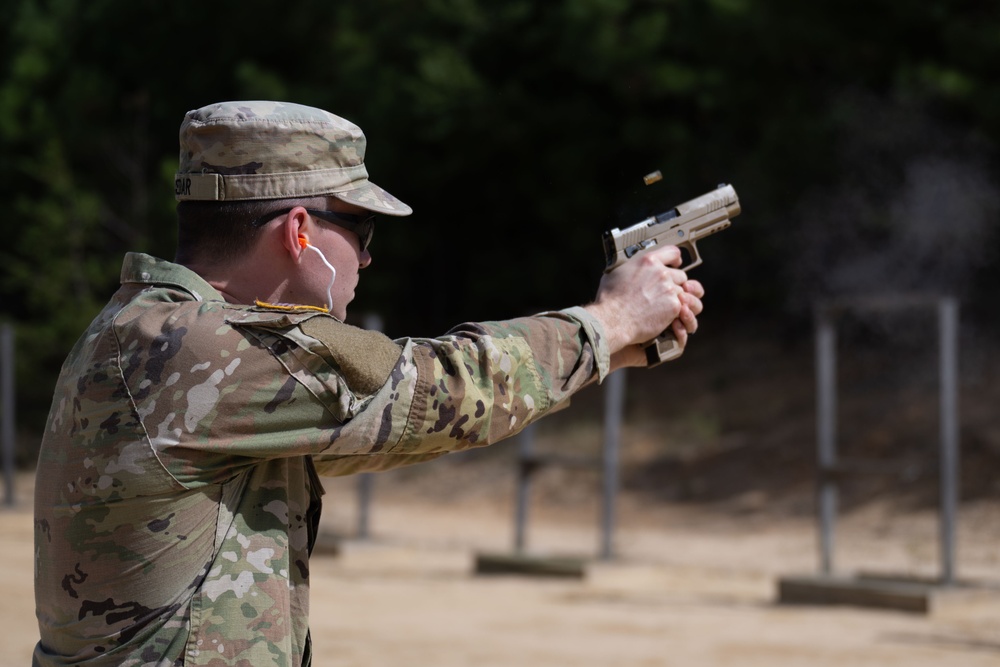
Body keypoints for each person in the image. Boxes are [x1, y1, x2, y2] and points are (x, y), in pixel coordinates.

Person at [32, 100, 705, 666]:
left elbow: (388, 432)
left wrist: (614, 348)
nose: (370, 255)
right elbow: (431, 393)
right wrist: (604, 320)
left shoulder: (151, 334)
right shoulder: (194, 348)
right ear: (299, 231)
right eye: (360, 227)